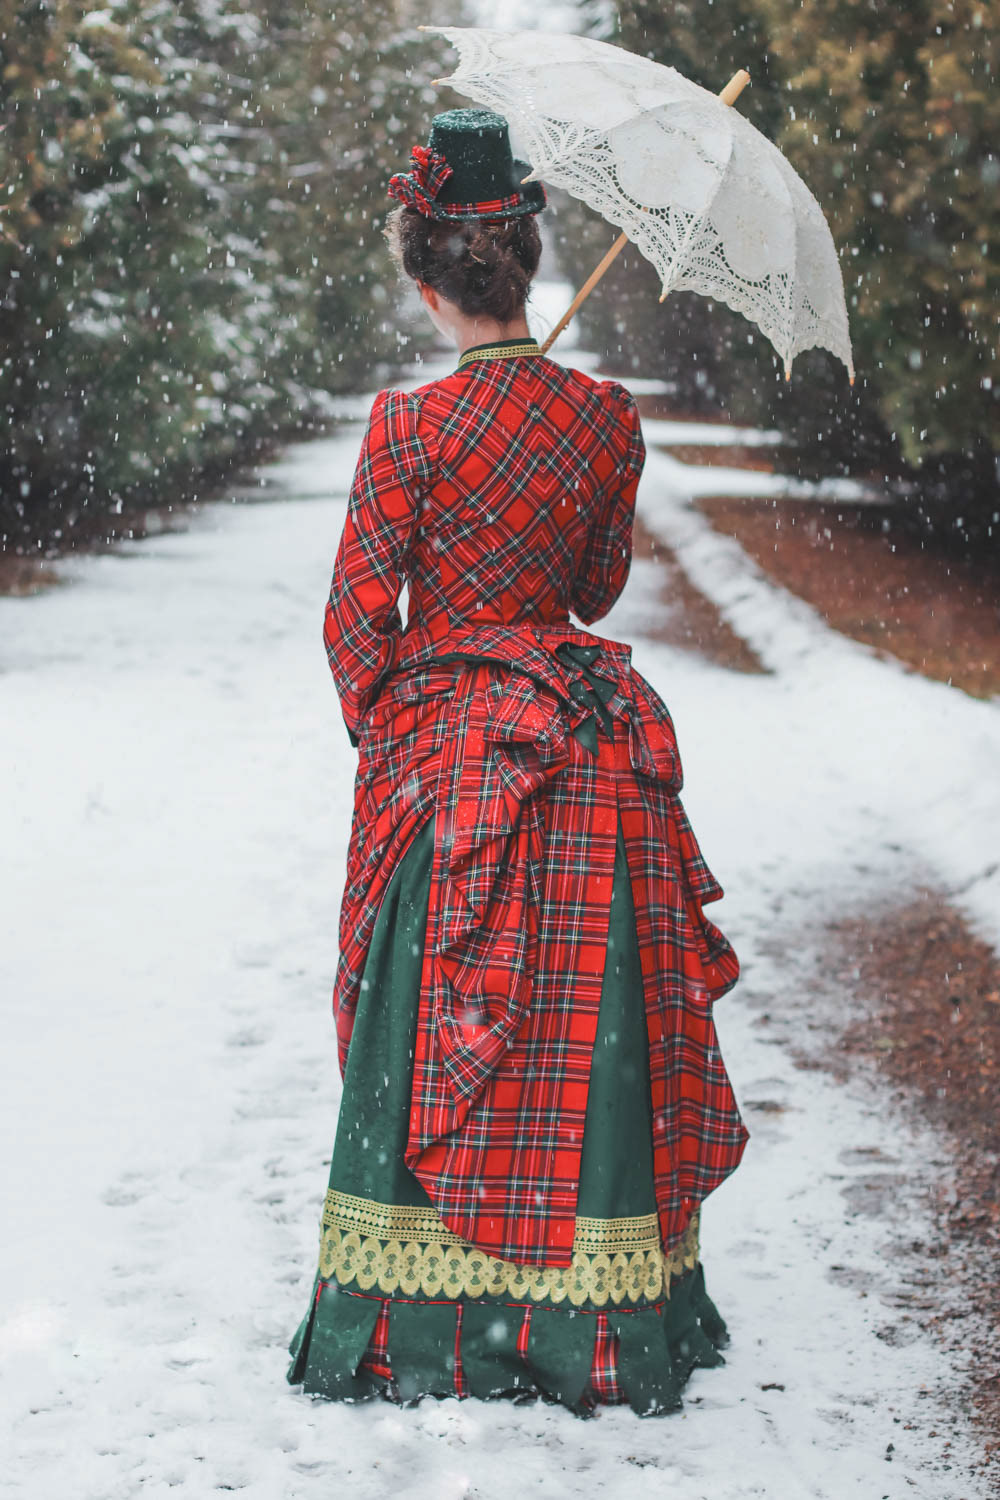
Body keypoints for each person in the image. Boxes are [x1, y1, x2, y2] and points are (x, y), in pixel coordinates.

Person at [287, 107, 747, 1418]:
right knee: (584, 1032)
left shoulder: (408, 427)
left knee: (442, 1021)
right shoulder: (601, 418)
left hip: (453, 763)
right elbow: (592, 591)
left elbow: (355, 617)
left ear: (426, 280)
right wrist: (554, 468)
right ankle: (594, 1323)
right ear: (529, 261)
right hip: (586, 752)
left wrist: (402, 735)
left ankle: (420, 1323)